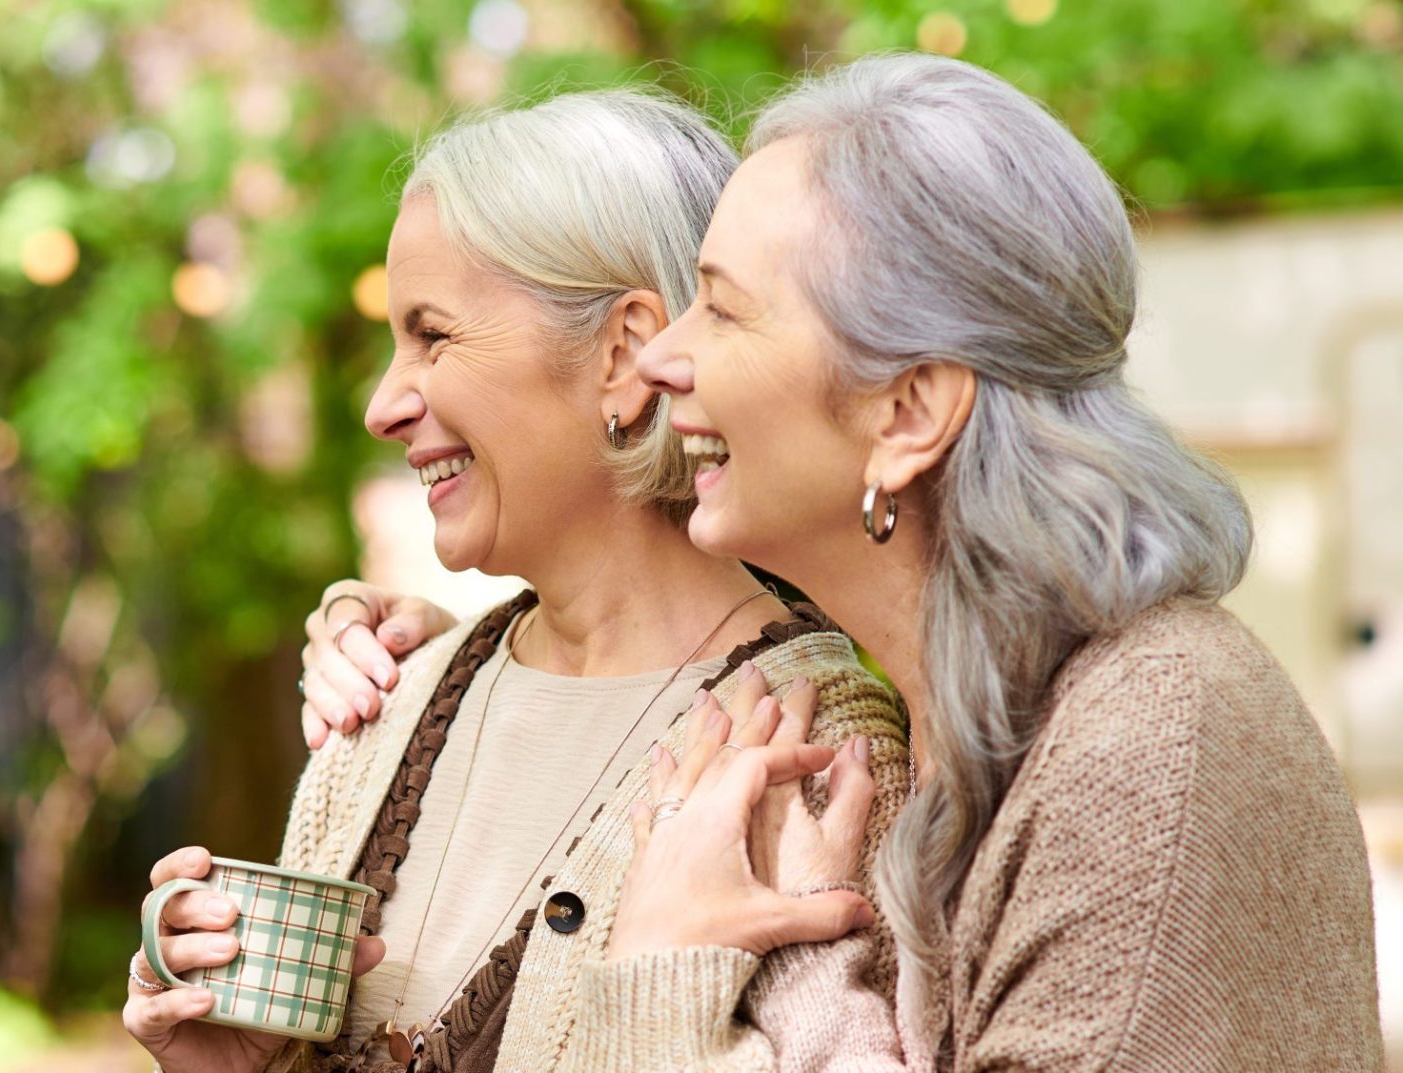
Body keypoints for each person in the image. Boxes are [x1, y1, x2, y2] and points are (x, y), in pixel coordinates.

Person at [300, 53, 1384, 1071]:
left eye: (722, 309)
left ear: (906, 412)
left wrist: (659, 976)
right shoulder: (969, 731)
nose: (668, 354)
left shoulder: (1143, 742)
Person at [124, 87, 909, 1073]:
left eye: (432, 334)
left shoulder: (811, 747)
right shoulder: (387, 705)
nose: (381, 403)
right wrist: (234, 1058)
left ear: (624, 355)